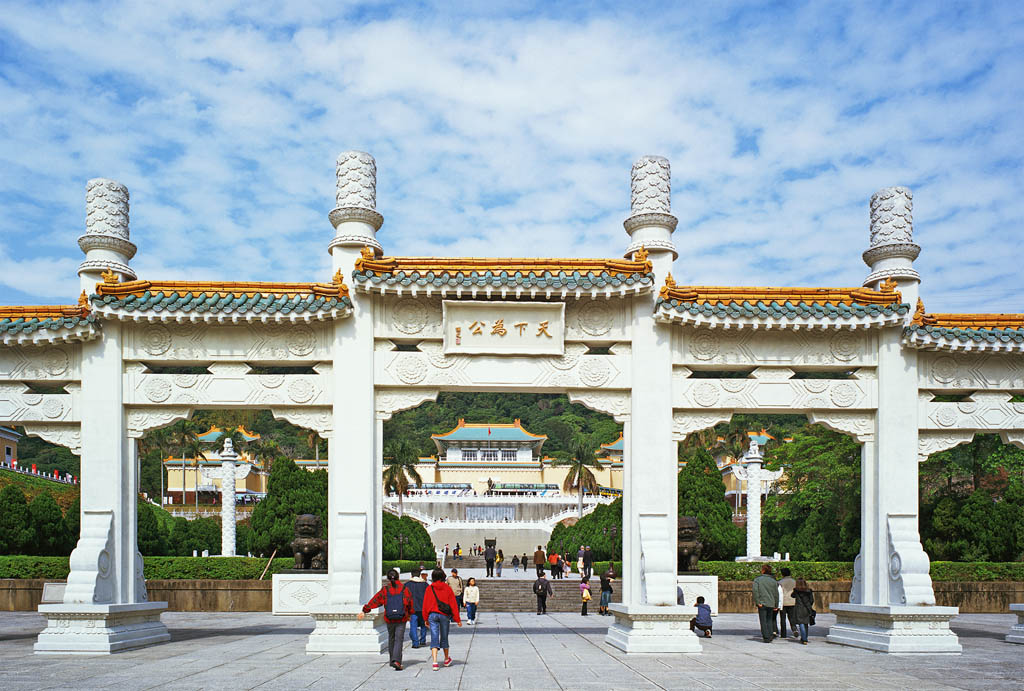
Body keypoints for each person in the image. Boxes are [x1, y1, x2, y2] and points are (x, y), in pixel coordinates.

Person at [357, 568, 412, 671]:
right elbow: (409, 602)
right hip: (401, 618)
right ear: (398, 577)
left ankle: (392, 660)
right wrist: (410, 614)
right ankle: (397, 661)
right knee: (398, 639)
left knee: (391, 638)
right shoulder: (404, 589)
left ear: (387, 578)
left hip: (390, 618)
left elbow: (376, 600)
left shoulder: (385, 590)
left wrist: (365, 610)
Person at [423, 568, 462, 671]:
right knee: (444, 636)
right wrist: (457, 619)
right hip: (444, 615)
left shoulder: (429, 588)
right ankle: (446, 659)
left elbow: (425, 605)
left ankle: (435, 662)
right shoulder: (447, 588)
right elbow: (453, 604)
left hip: (432, 615)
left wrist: (425, 618)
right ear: (443, 577)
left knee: (434, 636)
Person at [752, 563, 780, 643]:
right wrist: (776, 604)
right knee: (769, 620)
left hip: (762, 603)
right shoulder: (773, 581)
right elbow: (776, 594)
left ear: (763, 570)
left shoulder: (758, 580)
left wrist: (758, 602)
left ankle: (766, 636)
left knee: (763, 620)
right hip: (771, 603)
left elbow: (755, 591)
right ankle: (770, 634)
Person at [404, 569, 429, 649]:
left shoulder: (407, 585)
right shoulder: (425, 584)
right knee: (423, 625)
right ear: (419, 575)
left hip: (412, 608)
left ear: (411, 575)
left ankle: (415, 642)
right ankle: (423, 640)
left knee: (413, 626)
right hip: (423, 608)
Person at [792, 578, 815, 645]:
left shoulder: (796, 591)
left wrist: (795, 590)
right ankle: (805, 638)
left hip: (799, 609)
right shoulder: (809, 591)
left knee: (801, 623)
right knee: (805, 623)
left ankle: (804, 638)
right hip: (807, 609)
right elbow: (811, 600)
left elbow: (792, 596)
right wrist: (809, 606)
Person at [778, 567, 797, 639]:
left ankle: (783, 634)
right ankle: (794, 628)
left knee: (783, 618)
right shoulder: (794, 581)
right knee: (792, 617)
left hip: (783, 602)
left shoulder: (780, 582)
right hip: (792, 601)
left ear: (782, 574)